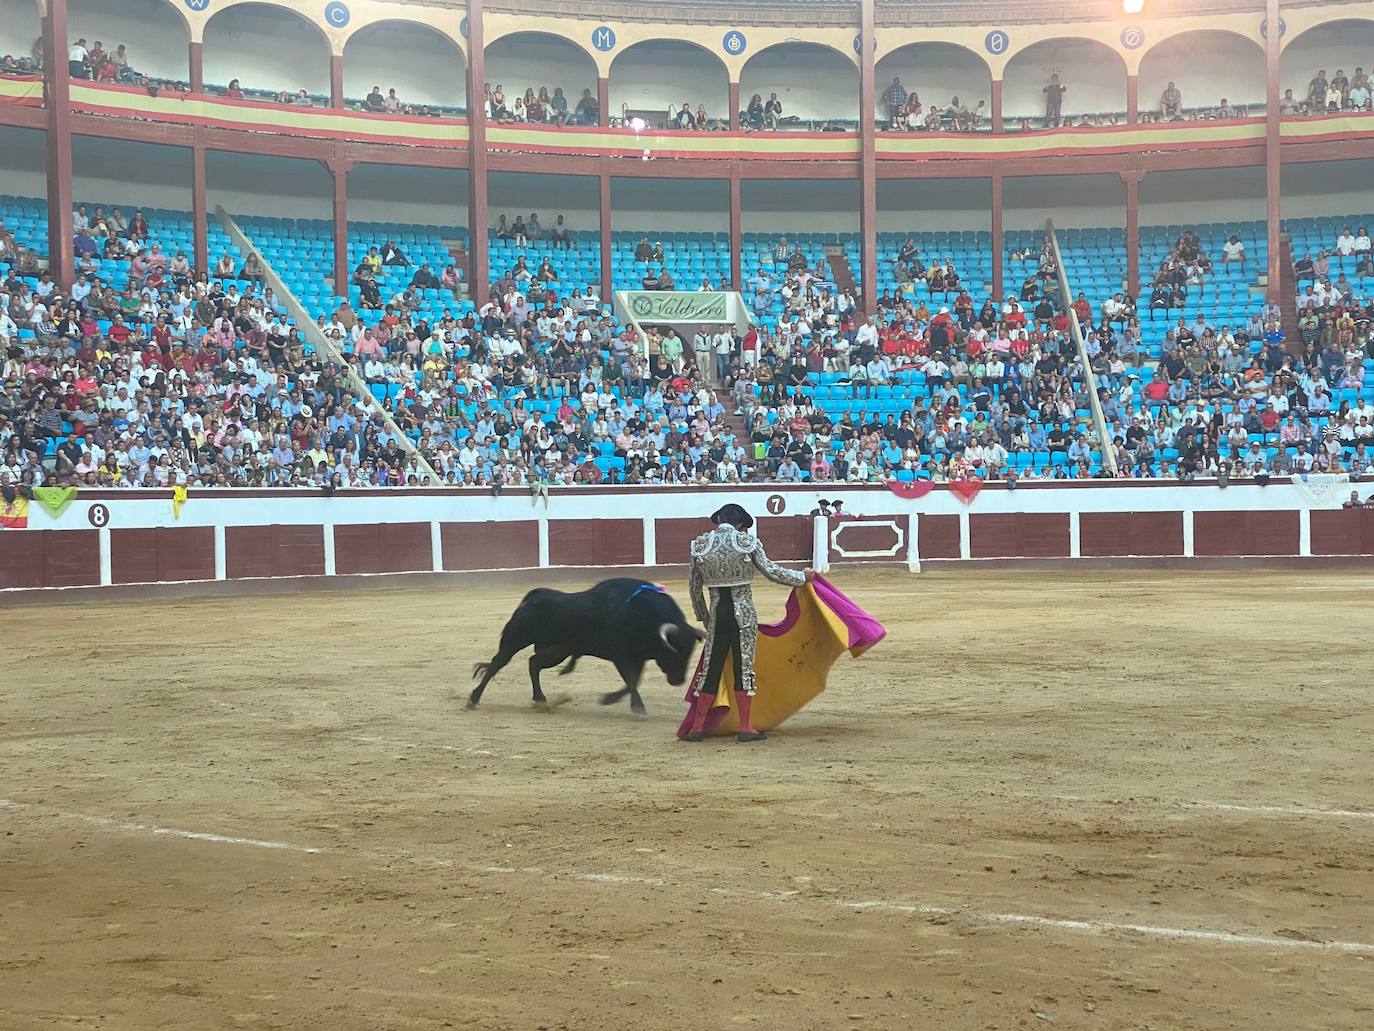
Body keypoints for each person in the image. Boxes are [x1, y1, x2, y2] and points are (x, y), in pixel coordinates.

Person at [683, 503, 814, 743]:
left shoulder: (700, 545)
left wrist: (705, 617)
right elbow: (771, 571)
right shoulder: (746, 542)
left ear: (718, 519)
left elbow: (694, 588)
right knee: (743, 667)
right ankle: (745, 727)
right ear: (741, 524)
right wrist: (801, 578)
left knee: (710, 669)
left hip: (717, 613)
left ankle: (697, 728)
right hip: (743, 614)